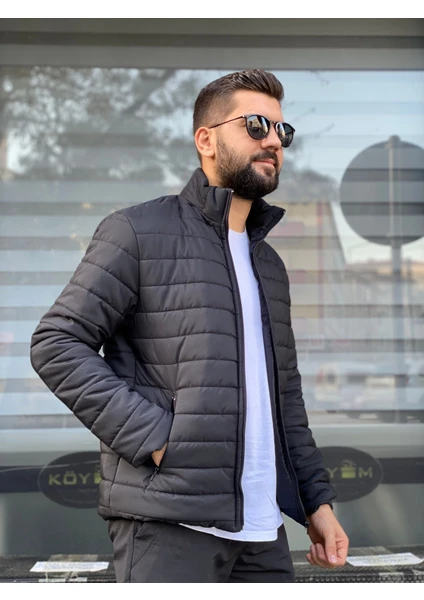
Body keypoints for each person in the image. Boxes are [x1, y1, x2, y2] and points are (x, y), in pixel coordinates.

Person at [30, 69, 349, 583]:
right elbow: (56, 344)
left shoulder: (268, 265)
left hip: (262, 531)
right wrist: (159, 439)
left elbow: (284, 397)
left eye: (282, 131)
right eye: (256, 125)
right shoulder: (138, 232)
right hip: (170, 526)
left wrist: (317, 503)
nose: (273, 140)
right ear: (206, 140)